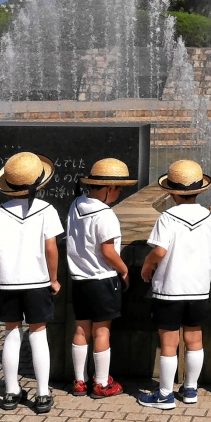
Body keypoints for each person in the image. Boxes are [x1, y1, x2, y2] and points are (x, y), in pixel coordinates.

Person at [138, 160, 211, 410]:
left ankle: (164, 394)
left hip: (170, 289)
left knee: (169, 343)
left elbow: (160, 250)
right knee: (195, 340)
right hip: (199, 288)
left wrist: (147, 264)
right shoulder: (209, 217)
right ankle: (190, 389)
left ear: (172, 192)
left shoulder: (167, 217)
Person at [0, 151, 63, 414]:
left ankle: (10, 391)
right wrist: (53, 278)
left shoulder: (1, 212)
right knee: (38, 334)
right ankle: (42, 393)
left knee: (11, 333)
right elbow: (51, 248)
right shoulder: (46, 210)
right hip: (38, 280)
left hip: (8, 281)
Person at [66, 157, 136, 399]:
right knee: (101, 332)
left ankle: (78, 380)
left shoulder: (76, 205)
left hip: (79, 278)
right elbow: (108, 251)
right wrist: (124, 270)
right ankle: (101, 382)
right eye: (119, 190)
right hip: (102, 279)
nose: (119, 195)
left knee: (80, 329)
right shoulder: (105, 215)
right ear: (109, 189)